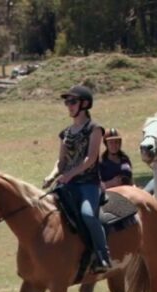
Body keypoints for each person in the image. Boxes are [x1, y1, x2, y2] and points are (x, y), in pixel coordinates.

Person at [42, 85, 112, 273]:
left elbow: (90, 159)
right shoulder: (65, 133)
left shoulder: (95, 129)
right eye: (67, 102)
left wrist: (70, 174)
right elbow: (61, 161)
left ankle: (103, 256)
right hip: (67, 184)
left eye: (73, 102)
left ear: (85, 104)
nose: (69, 106)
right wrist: (51, 176)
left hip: (89, 184)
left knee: (88, 215)